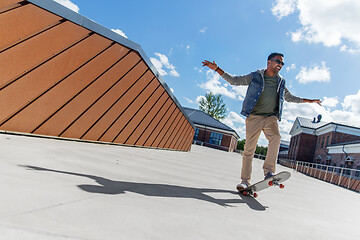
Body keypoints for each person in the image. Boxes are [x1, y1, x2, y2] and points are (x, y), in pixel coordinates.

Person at [202, 53, 322, 191]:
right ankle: (245, 181)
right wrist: (217, 69)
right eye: (278, 62)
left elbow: (289, 97)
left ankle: (269, 172)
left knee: (276, 137)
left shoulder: (281, 81)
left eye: (282, 64)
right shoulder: (256, 76)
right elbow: (234, 81)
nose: (280, 65)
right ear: (269, 62)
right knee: (249, 149)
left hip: (271, 117)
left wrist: (310, 100)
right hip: (254, 117)